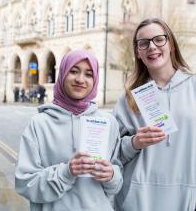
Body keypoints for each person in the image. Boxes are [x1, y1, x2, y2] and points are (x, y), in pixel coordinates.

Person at [113, 18, 196, 211]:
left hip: (185, 204)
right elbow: (111, 154)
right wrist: (134, 143)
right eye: (143, 43)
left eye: (159, 39)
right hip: (135, 204)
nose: (152, 46)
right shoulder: (128, 98)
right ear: (138, 52)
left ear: (171, 45)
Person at [15, 50, 123, 210]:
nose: (80, 80)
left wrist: (111, 176)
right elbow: (25, 184)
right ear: (63, 73)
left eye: (88, 74)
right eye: (73, 71)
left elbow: (116, 183)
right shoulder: (39, 124)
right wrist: (66, 172)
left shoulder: (108, 123)